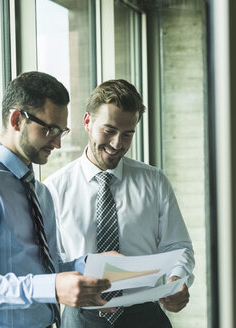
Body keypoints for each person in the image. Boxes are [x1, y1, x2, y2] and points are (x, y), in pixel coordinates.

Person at [0, 71, 112, 328]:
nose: (57, 143)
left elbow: (42, 269)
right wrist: (51, 287)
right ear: (16, 119)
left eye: (61, 131)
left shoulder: (40, 193)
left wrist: (91, 264)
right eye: (50, 130)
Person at [44, 79, 195, 328]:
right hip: (80, 319)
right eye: (109, 130)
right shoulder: (54, 189)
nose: (117, 144)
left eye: (128, 134)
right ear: (87, 122)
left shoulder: (154, 182)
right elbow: (49, 261)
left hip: (147, 317)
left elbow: (178, 245)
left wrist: (177, 278)